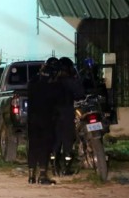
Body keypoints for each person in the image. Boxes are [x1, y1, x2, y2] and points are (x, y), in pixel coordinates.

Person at [27, 57, 61, 185]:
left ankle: (31, 176)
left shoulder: (33, 83)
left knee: (33, 145)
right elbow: (57, 101)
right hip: (46, 119)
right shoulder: (53, 86)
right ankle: (42, 175)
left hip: (32, 119)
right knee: (44, 146)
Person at [52, 56, 85, 175]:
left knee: (55, 142)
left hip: (53, 115)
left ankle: (54, 168)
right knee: (67, 142)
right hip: (66, 113)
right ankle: (66, 169)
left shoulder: (52, 81)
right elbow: (81, 93)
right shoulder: (70, 81)